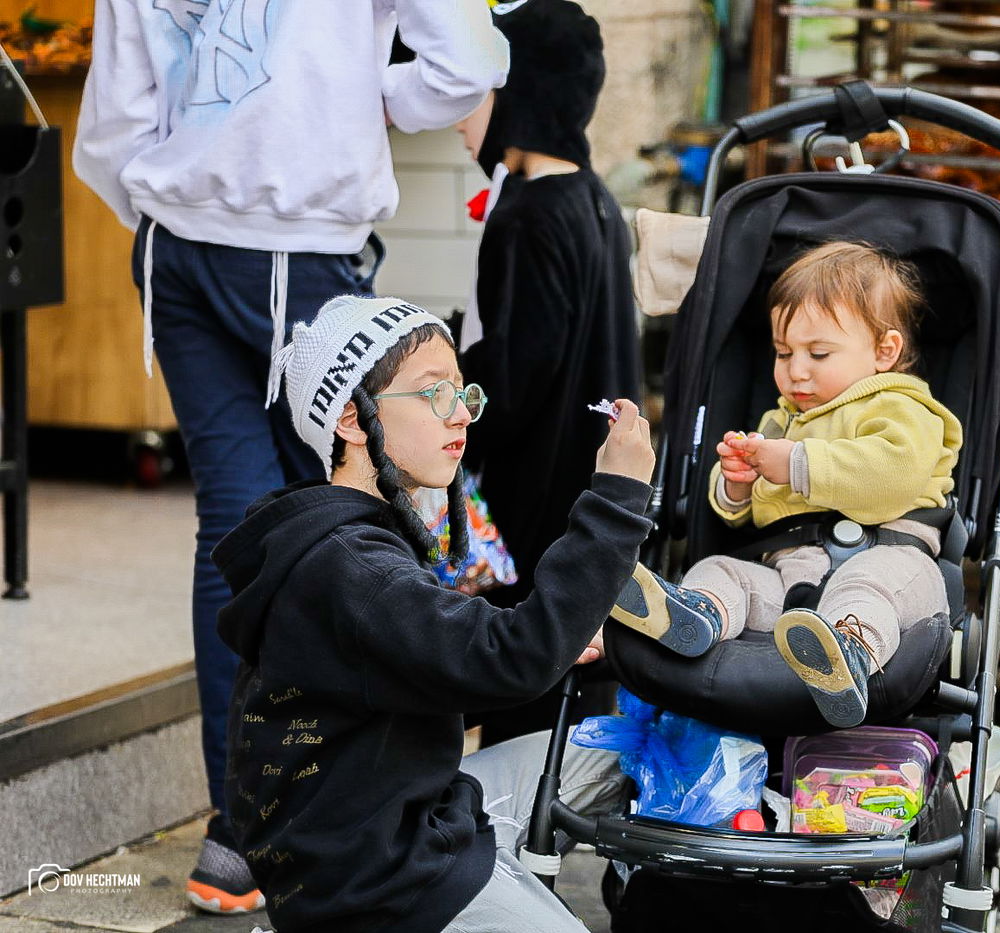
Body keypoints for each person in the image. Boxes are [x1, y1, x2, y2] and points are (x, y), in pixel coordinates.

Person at [72, 0, 508, 913]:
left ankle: (237, 836)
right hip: (301, 243)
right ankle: (345, 820)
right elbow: (467, 62)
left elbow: (112, 121)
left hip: (175, 248)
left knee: (234, 529)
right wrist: (364, 96)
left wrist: (179, 191)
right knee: (345, 516)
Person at [215, 295, 655, 933]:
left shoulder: (348, 542)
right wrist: (616, 497)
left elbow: (426, 680)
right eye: (433, 393)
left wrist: (549, 645)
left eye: (462, 391)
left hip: (411, 815)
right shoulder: (353, 567)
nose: (462, 413)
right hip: (383, 880)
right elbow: (509, 660)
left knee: (636, 756)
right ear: (352, 419)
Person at [611, 242, 964, 728]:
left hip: (891, 561)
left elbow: (892, 477)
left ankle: (849, 656)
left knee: (866, 589)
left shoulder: (903, 407)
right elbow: (755, 512)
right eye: (783, 353)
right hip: (791, 581)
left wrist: (796, 463)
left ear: (885, 351)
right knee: (722, 570)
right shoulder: (782, 422)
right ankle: (699, 616)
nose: (796, 370)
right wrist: (737, 485)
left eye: (818, 353)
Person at [454, 0, 641, 746]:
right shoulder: (596, 201)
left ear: (518, 92)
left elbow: (515, 376)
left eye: (477, 90)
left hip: (531, 495)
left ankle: (510, 816)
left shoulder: (528, 214)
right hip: (587, 487)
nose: (458, 115)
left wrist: (449, 392)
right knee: (573, 693)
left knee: (520, 684)